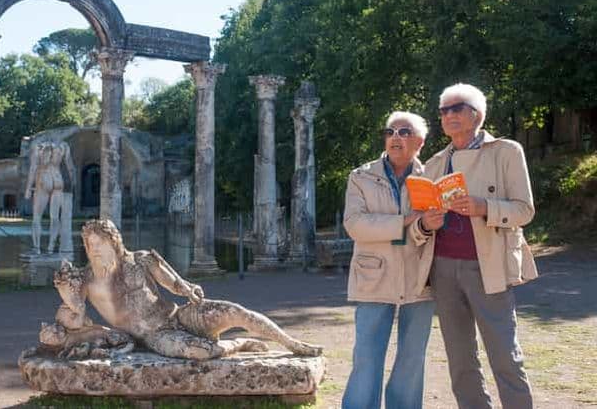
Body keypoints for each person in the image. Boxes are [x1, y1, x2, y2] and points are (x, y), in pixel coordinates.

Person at [410, 83, 537, 409]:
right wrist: (428, 222)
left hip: (489, 266)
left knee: (504, 356)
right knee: (460, 361)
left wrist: (484, 207)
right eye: (443, 110)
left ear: (477, 114)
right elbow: (416, 223)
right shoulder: (435, 163)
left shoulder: (507, 151)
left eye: (456, 108)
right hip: (442, 269)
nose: (448, 115)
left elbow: (524, 210)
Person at [57, 219, 323, 360]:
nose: (94, 250)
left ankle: (291, 343)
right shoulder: (85, 280)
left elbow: (171, 281)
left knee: (236, 312)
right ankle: (239, 344)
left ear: (114, 241)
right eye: (89, 245)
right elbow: (75, 319)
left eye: (99, 243)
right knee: (201, 352)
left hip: (177, 316)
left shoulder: (139, 259)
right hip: (153, 337)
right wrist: (68, 297)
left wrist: (187, 289)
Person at [342, 111, 435, 409]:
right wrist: (405, 221)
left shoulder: (432, 179)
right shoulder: (360, 177)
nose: (395, 137)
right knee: (367, 355)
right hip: (373, 276)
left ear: (419, 142)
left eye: (404, 132)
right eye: (390, 131)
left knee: (412, 358)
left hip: (420, 276)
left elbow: (431, 228)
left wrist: (421, 227)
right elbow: (355, 225)